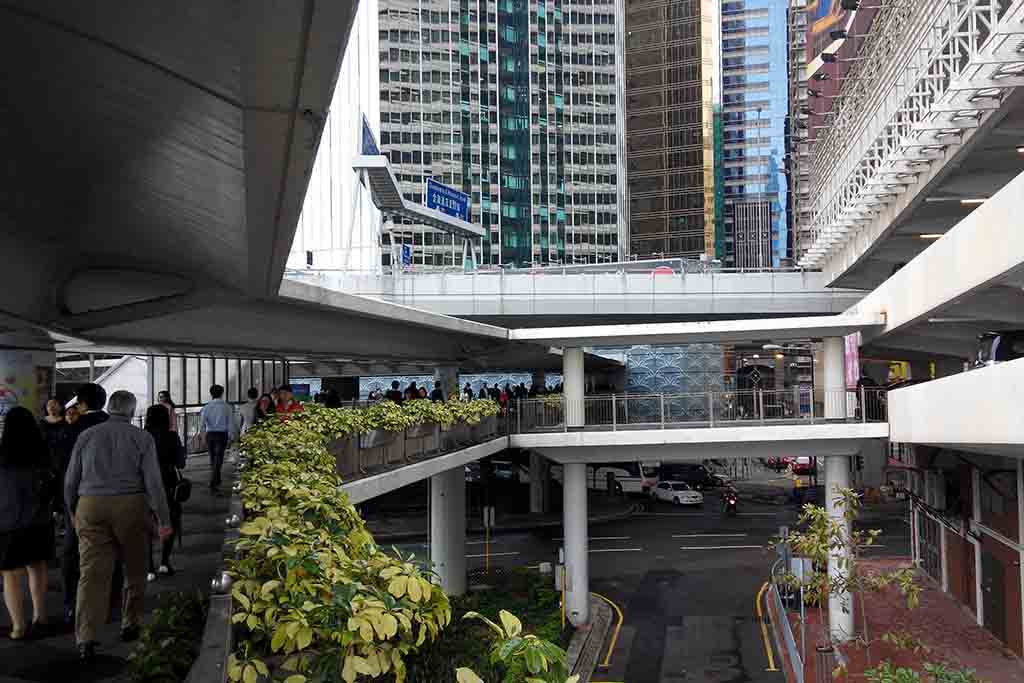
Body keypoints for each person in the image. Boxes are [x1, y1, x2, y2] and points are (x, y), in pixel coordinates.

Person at [64, 390, 171, 662]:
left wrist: (72, 510)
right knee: (134, 567)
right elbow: (154, 483)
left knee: (91, 574)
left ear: (109, 408)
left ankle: (85, 638)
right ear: (133, 411)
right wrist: (164, 520)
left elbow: (70, 479)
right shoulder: (141, 438)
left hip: (90, 505)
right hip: (130, 505)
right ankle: (129, 623)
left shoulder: (86, 436)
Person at [0, 407, 56, 640]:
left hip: (8, 522)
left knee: (10, 574)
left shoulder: (1, 454)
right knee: (38, 566)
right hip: (39, 520)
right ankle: (40, 615)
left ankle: (18, 626)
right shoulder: (42, 451)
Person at [62, 383, 110, 626]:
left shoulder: (75, 429)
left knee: (74, 553)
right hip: (117, 498)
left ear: (81, 403)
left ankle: (73, 603)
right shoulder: (119, 427)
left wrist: (67, 506)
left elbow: (68, 471)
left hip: (84, 500)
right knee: (112, 551)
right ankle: (112, 604)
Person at [144, 405, 185, 579]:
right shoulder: (171, 436)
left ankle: (149, 568)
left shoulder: (141, 436)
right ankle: (164, 563)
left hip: (144, 483)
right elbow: (181, 463)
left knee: (146, 524)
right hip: (167, 481)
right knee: (169, 520)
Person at [200, 385, 233, 492]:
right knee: (219, 458)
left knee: (213, 458)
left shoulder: (206, 407)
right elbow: (230, 423)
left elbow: (202, 424)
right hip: (222, 435)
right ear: (222, 393)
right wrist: (231, 436)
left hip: (210, 435)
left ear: (211, 394)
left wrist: (203, 437)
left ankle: (216, 480)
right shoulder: (227, 406)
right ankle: (214, 481)